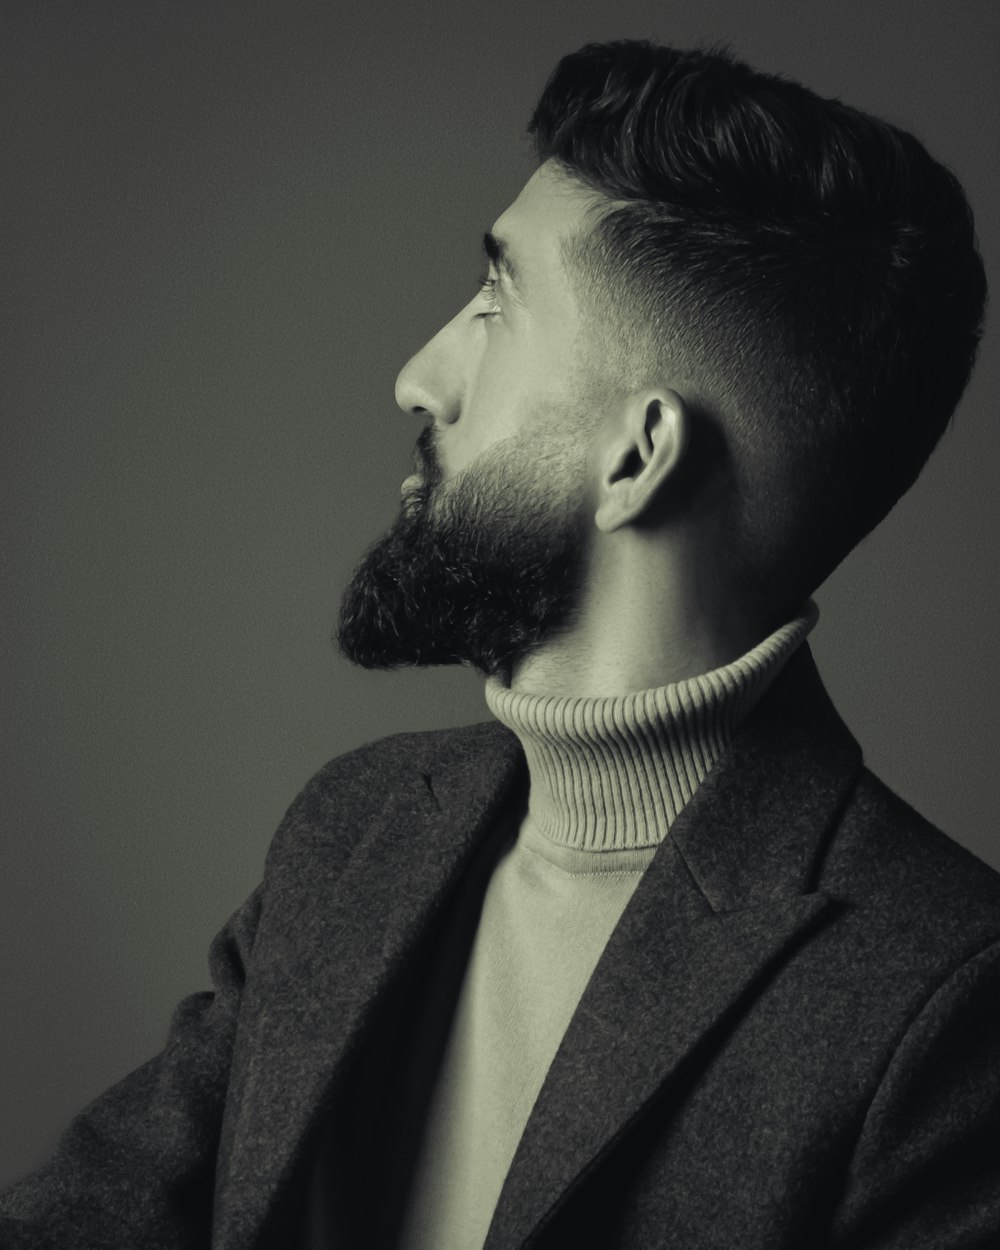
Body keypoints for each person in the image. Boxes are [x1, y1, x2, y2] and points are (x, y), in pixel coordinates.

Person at [1, 37, 997, 1250]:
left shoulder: (945, 1005)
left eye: (494, 301)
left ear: (636, 457)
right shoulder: (353, 831)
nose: (418, 377)